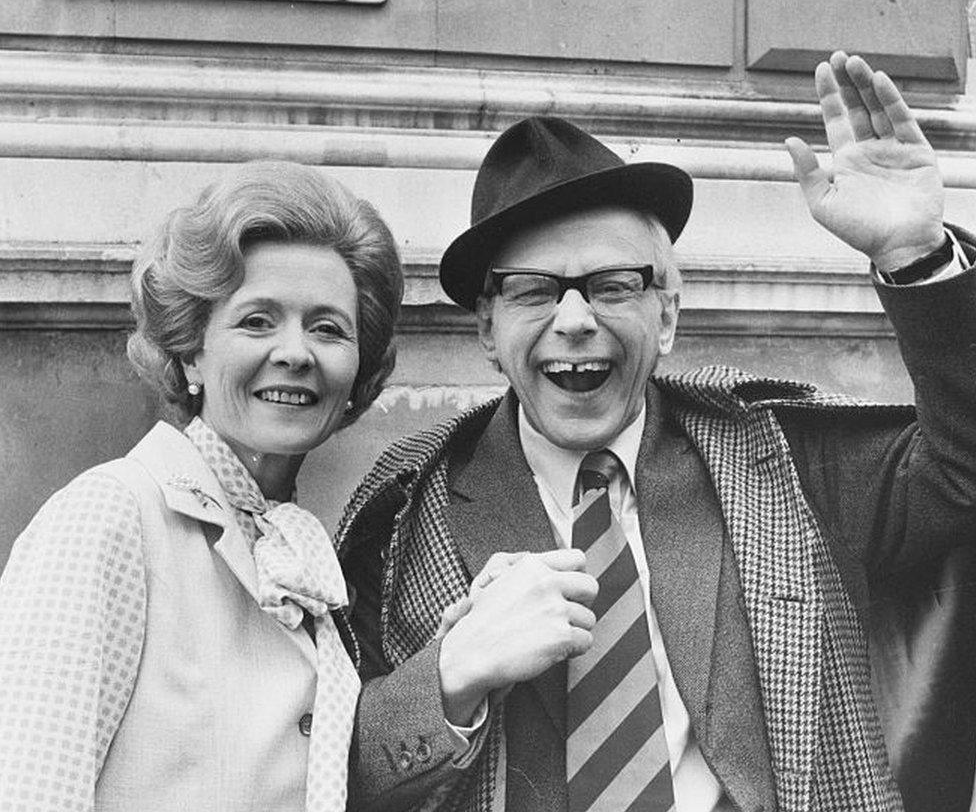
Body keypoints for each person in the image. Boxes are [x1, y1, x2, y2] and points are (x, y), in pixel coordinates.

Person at [336, 52, 976, 812]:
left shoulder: (780, 459)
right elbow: (338, 776)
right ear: (486, 325)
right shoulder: (404, 516)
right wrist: (448, 676)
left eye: (612, 286)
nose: (574, 322)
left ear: (666, 315)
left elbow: (961, 470)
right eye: (534, 291)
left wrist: (915, 256)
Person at [0, 161, 403, 812]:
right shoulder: (111, 516)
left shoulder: (297, 546)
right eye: (257, 321)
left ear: (357, 370)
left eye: (327, 327)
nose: (296, 352)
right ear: (192, 351)